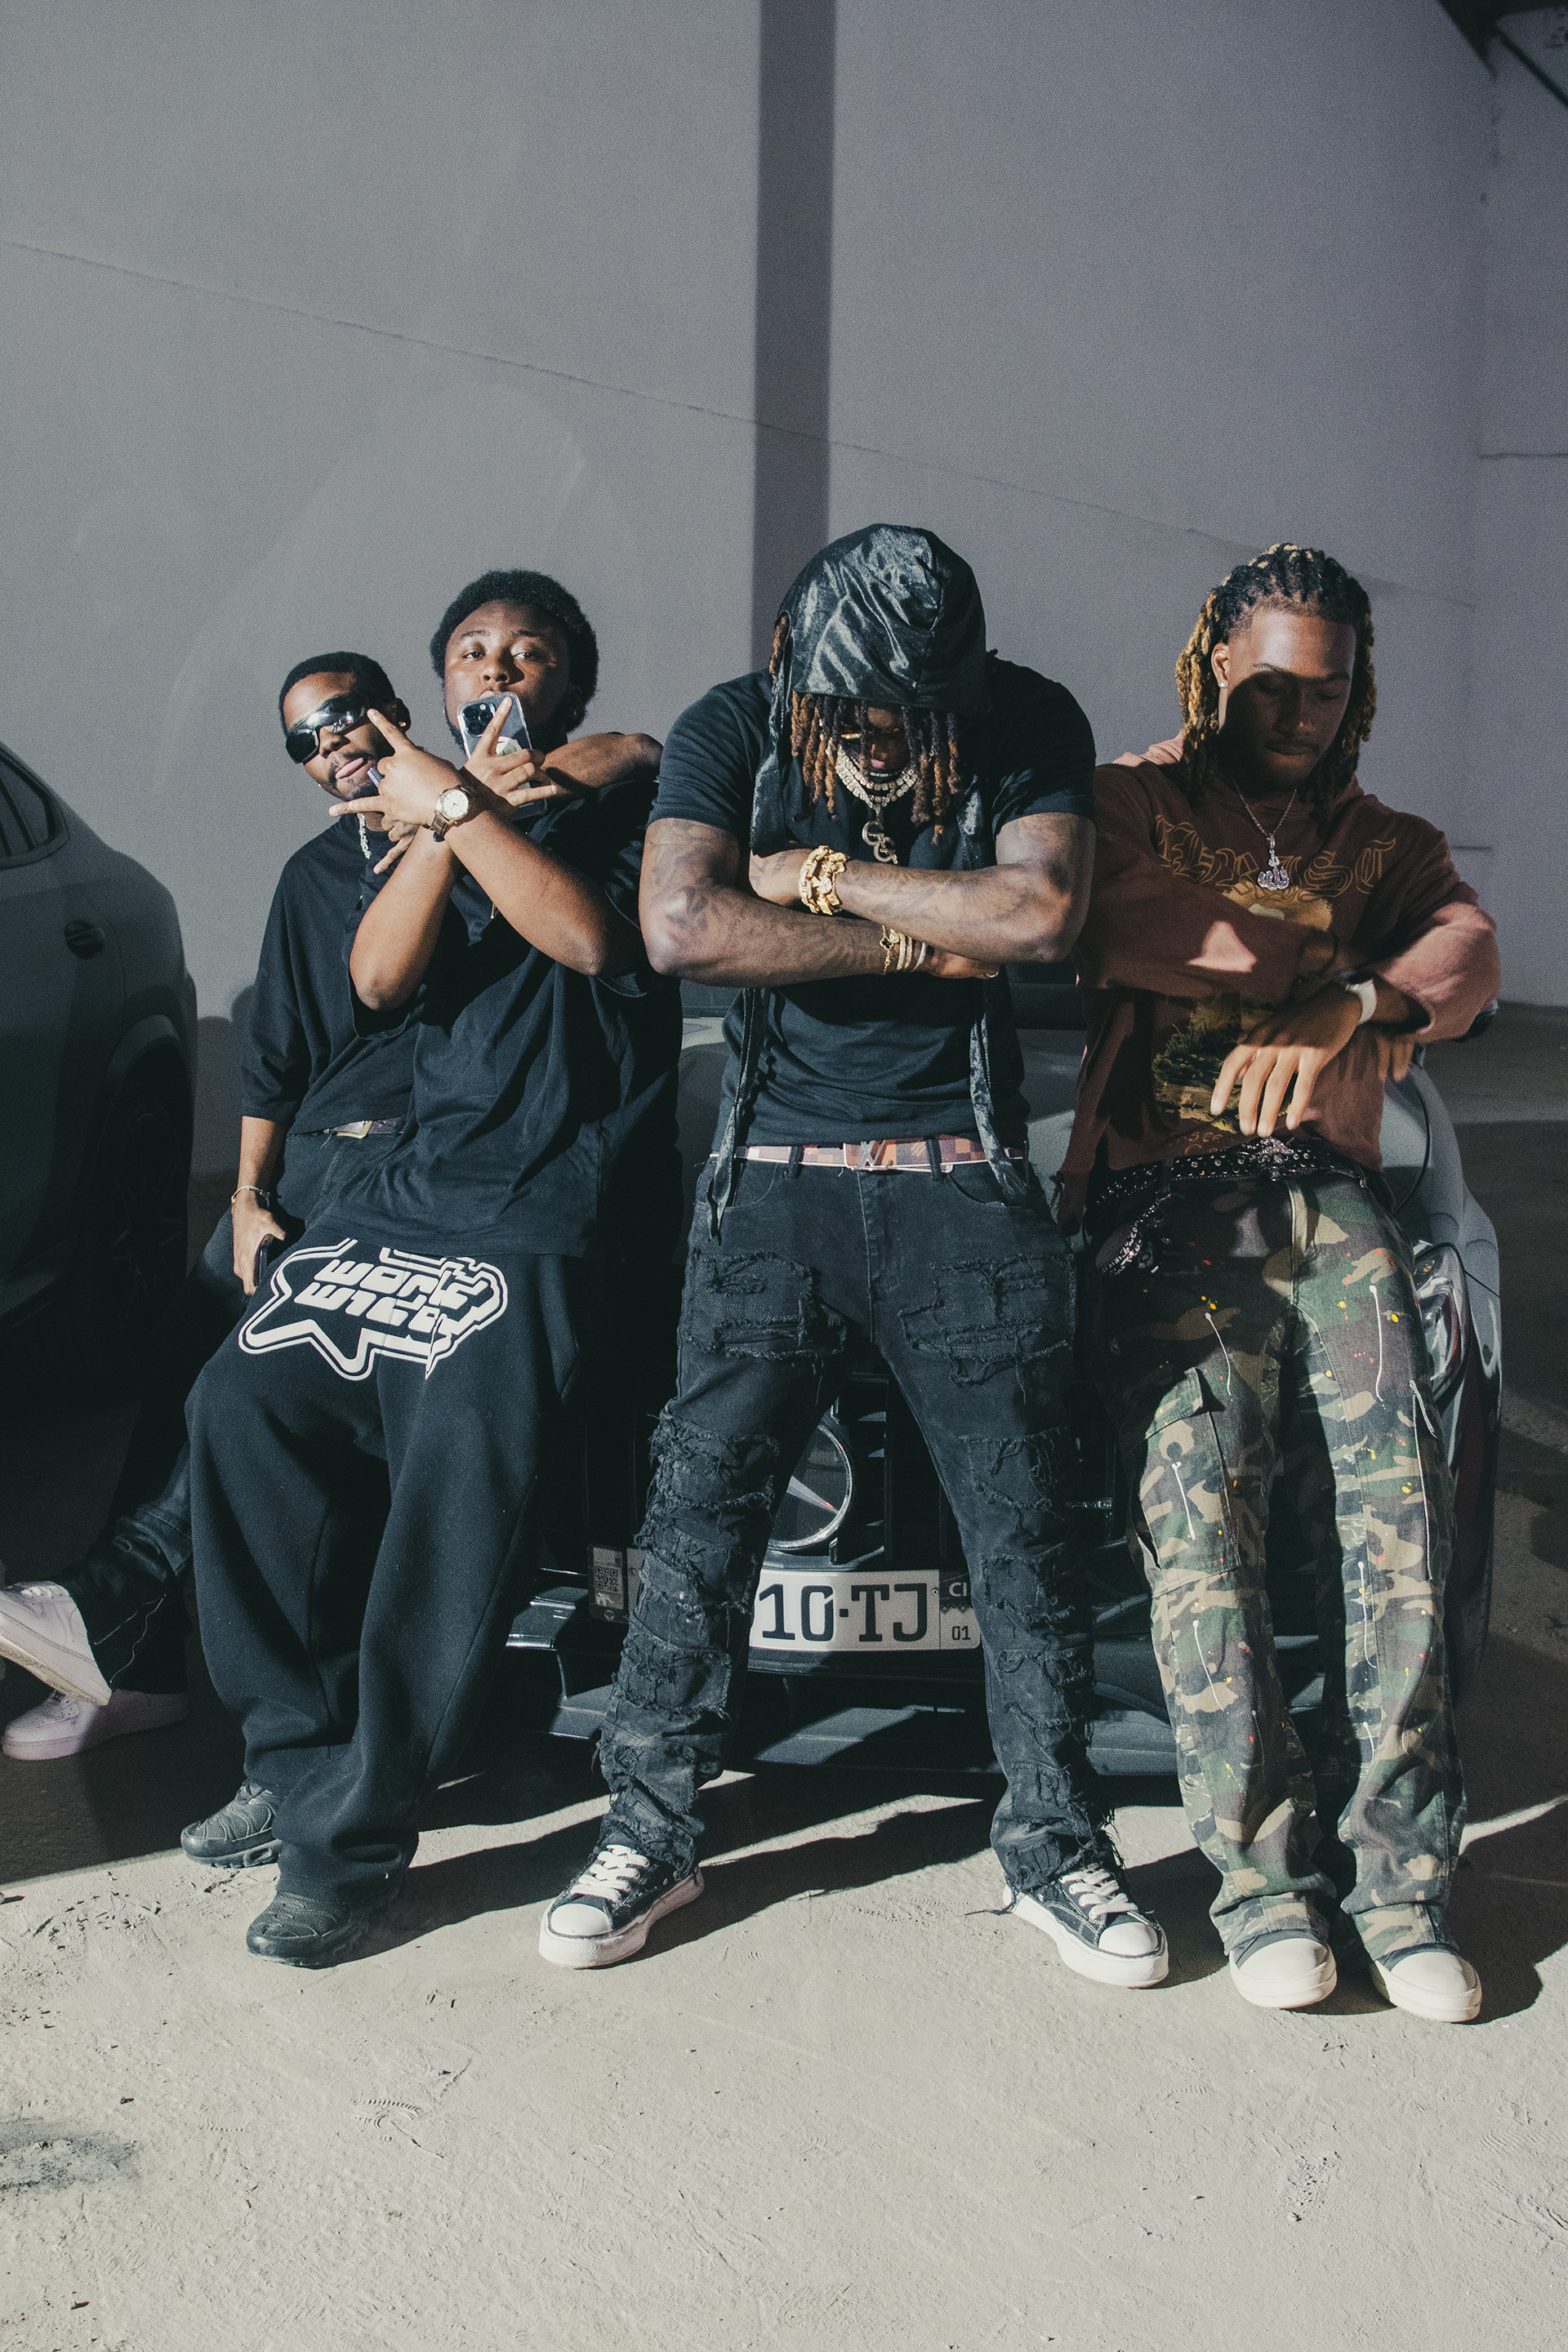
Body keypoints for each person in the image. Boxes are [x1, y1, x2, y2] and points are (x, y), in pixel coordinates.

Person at [539, 524, 1169, 1989]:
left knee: (1023, 1532)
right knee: (698, 1523)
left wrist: (814, 878)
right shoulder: (733, 725)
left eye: (913, 715)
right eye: (854, 710)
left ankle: (1057, 1845)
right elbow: (683, 921)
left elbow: (1035, 913)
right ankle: (651, 1830)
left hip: (965, 1186)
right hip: (771, 1183)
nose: (882, 734)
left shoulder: (1025, 718)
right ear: (789, 662)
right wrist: (918, 943)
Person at [0, 625, 656, 1780]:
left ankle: (115, 1606)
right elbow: (278, 1055)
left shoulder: (524, 818)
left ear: (397, 708)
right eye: (306, 739)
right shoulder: (316, 874)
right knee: (195, 1339)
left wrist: (468, 799)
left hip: (417, 1157)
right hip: (316, 1152)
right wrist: (249, 1194)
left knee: (266, 1356)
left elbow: (635, 760)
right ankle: (138, 1662)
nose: (334, 744)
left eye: (348, 716)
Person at [183, 571, 680, 1966]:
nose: (500, 668)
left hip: (555, 1203)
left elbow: (587, 938)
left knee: (457, 1467)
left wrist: (465, 809)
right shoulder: (426, 821)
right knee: (239, 1404)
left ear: (571, 680)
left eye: (530, 652)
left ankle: (352, 1844)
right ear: (442, 679)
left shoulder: (629, 802)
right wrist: (441, 821)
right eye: (473, 650)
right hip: (411, 1193)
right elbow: (378, 982)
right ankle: (292, 1759)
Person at [1060, 542, 1500, 2024]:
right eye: (1273, 686)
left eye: (1330, 689)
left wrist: (1363, 1001)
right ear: (1213, 665)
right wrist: (1320, 974)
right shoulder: (1128, 802)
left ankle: (1403, 1888)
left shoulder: (1388, 839)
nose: (1302, 715)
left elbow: (1469, 954)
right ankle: (1261, 1891)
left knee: (1402, 1518)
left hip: (1330, 1196)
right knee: (1201, 1520)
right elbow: (1116, 916)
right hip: (1169, 1202)